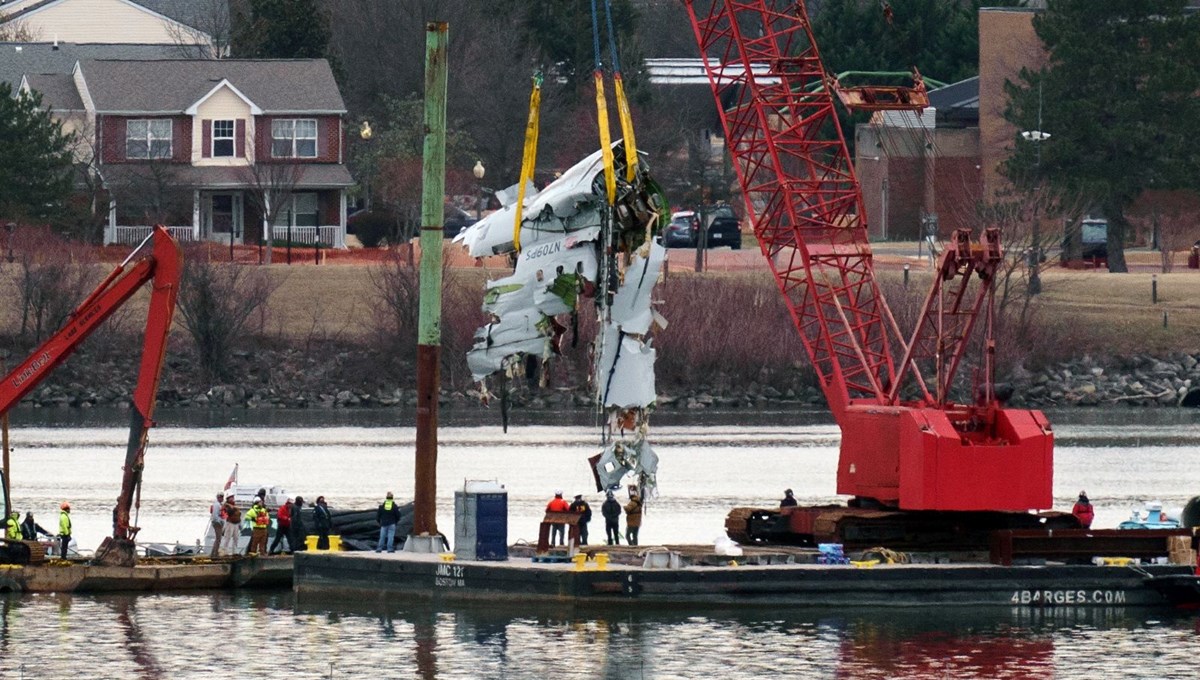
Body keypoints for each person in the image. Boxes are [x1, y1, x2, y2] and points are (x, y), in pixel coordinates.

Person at [209, 492, 226, 557]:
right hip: (217, 523)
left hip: (218, 523)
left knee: (218, 538)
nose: (221, 498)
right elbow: (215, 516)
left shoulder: (220, 504)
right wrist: (220, 522)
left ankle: (214, 552)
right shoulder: (217, 505)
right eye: (220, 497)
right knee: (218, 538)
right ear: (217, 497)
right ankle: (214, 553)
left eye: (222, 497)